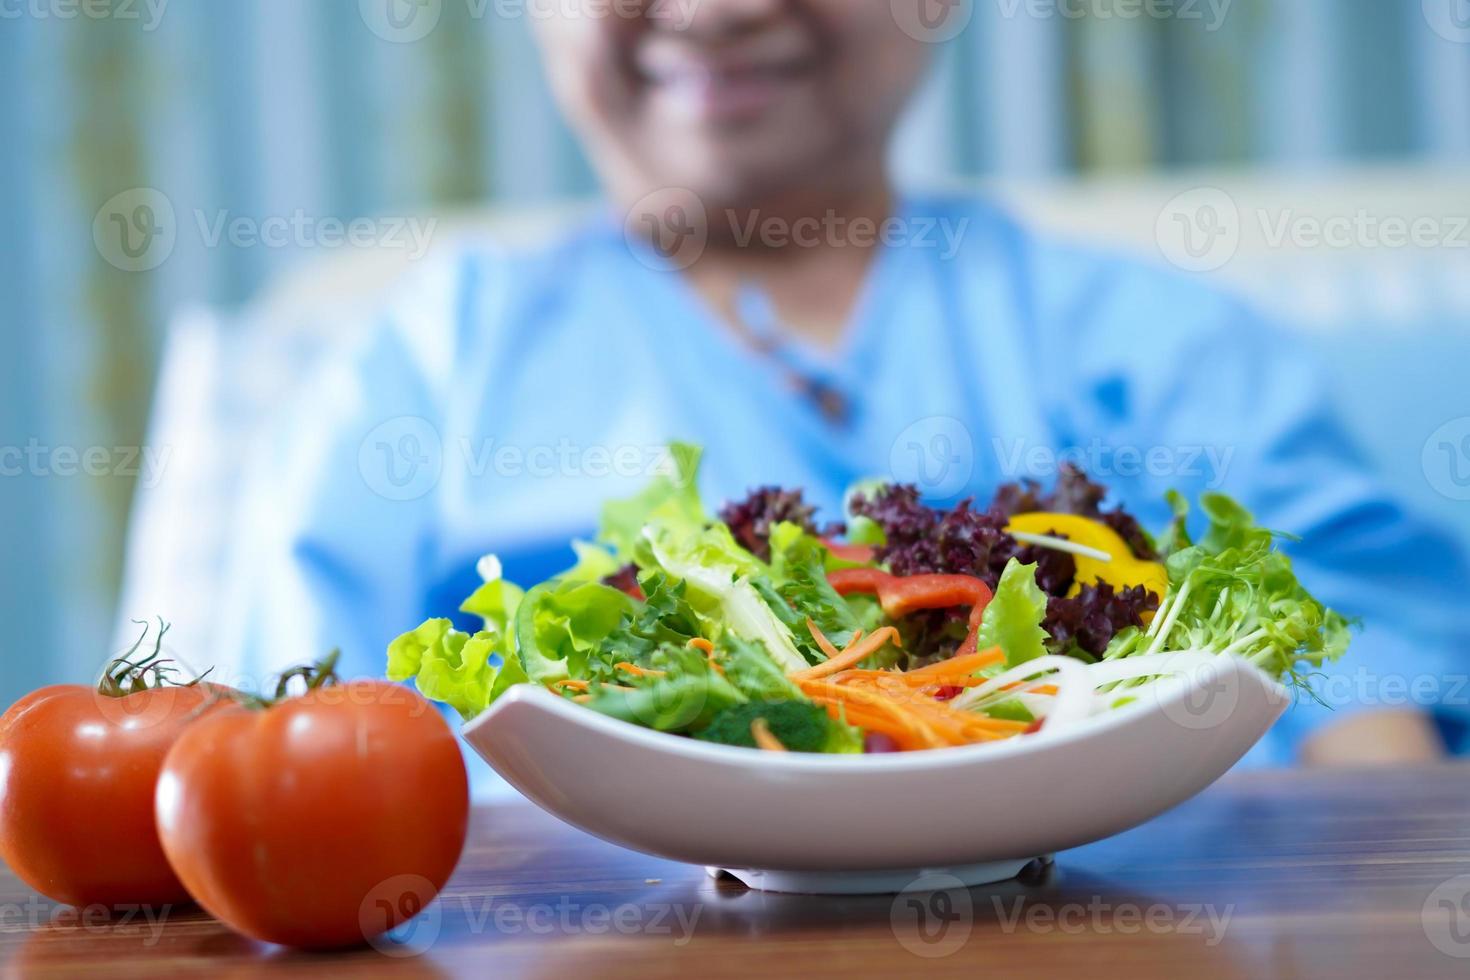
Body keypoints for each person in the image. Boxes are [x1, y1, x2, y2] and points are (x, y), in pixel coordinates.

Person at [188, 1, 1464, 776]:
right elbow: (280, 753)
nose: (724, 5)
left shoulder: (1153, 335)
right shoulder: (436, 355)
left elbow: (1358, 683)